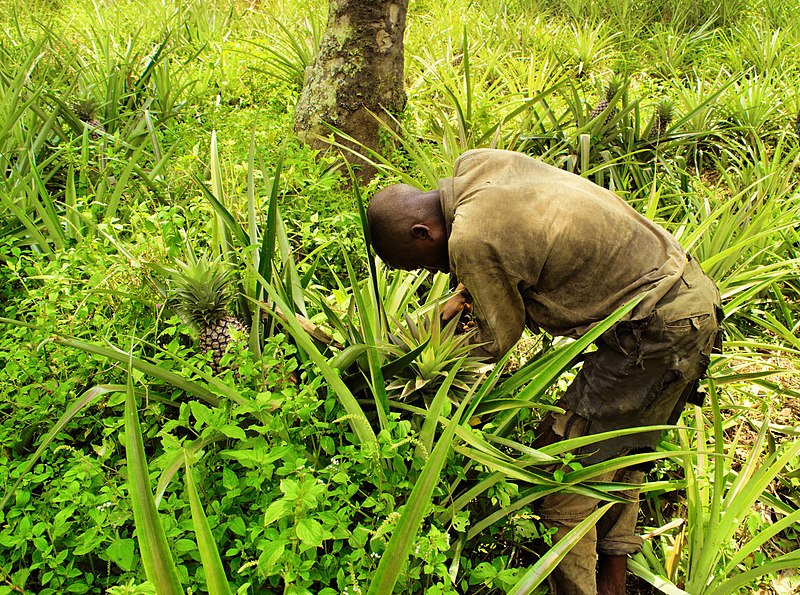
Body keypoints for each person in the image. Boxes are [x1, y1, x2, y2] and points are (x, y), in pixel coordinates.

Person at [366, 148, 723, 595]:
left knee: (560, 473)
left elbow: (494, 341)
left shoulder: (471, 240)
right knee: (617, 450)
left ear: (423, 233)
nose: (441, 270)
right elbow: (522, 243)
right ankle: (614, 581)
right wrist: (463, 296)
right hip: (689, 295)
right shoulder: (478, 167)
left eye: (424, 263)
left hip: (655, 328)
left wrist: (416, 357)